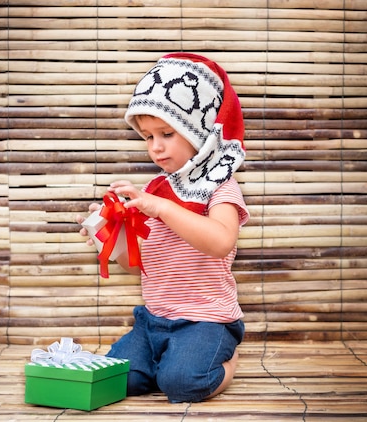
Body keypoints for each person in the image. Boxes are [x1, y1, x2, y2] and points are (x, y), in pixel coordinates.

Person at [76, 53, 250, 403]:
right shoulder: (155, 190)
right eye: (147, 136)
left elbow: (220, 241)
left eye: (167, 133)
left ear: (198, 130)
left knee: (183, 384)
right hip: (153, 320)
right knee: (116, 379)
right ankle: (166, 362)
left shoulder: (220, 186)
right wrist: (105, 232)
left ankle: (226, 360)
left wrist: (162, 208)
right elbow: (134, 263)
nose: (155, 147)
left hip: (206, 321)